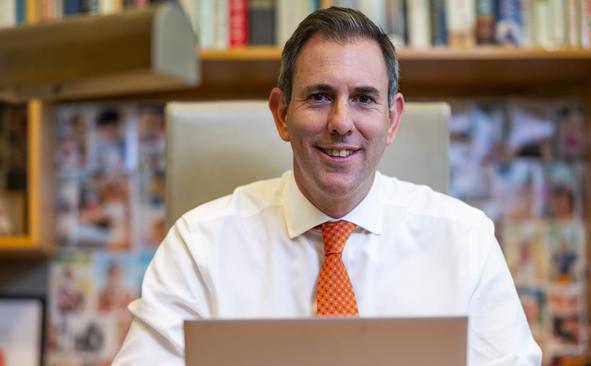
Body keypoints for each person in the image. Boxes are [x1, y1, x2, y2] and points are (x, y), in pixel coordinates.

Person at [113, 7, 541, 366]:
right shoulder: (199, 244)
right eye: (319, 96)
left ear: (392, 119)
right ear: (282, 114)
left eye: (364, 98)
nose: (340, 122)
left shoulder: (466, 241)